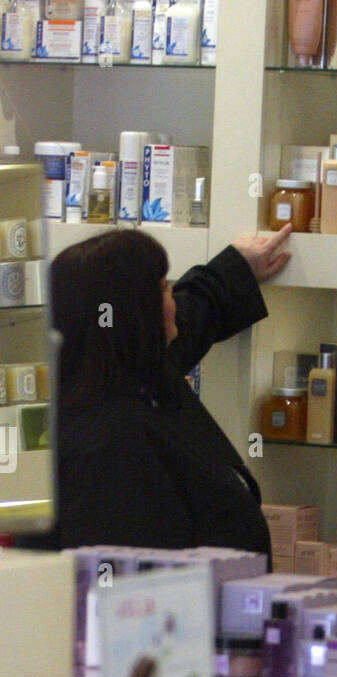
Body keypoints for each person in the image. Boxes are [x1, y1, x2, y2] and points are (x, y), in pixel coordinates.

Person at [21, 225, 292, 561]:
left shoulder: (127, 375)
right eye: (164, 289)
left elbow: (190, 319)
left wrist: (234, 269)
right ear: (139, 315)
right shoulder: (108, 446)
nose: (173, 301)